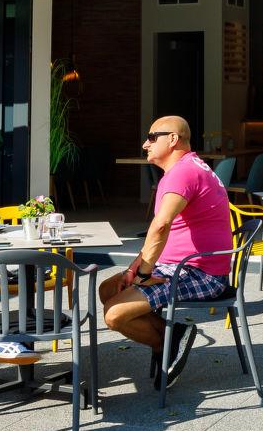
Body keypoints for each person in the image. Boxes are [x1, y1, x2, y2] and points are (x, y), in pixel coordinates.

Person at [99, 115, 233, 388]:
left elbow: (161, 226)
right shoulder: (189, 167)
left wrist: (145, 273)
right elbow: (161, 231)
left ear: (173, 140)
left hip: (200, 273)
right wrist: (133, 268)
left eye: (151, 137)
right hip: (182, 265)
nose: (145, 144)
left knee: (114, 314)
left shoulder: (183, 172)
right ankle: (174, 336)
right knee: (107, 290)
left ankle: (167, 342)